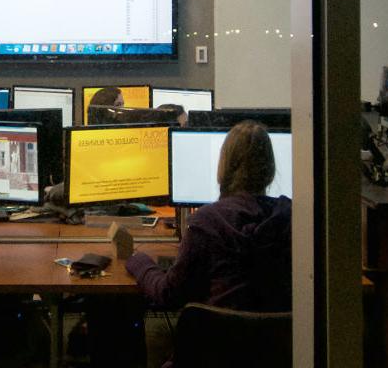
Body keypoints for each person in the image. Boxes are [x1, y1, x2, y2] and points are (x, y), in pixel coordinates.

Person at [118, 121, 291, 313]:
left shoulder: (207, 223)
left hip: (220, 340)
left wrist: (139, 262)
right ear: (270, 170)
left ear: (224, 167)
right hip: (281, 340)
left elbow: (169, 295)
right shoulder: (293, 219)